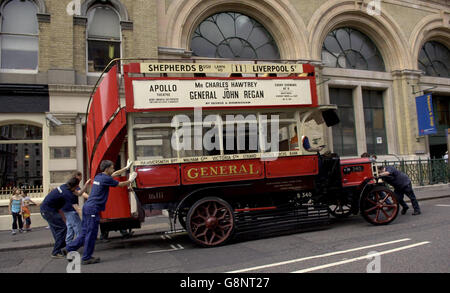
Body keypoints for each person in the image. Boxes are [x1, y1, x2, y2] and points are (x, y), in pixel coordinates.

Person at [66, 160, 136, 265]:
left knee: (85, 232)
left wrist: (126, 168)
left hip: (87, 207)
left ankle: (68, 248)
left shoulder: (99, 176)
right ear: (107, 169)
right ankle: (86, 258)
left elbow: (115, 174)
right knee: (91, 234)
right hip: (93, 209)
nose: (113, 169)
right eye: (112, 167)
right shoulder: (106, 179)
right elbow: (121, 184)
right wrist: (130, 180)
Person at [40, 177, 81, 258]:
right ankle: (56, 252)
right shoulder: (67, 194)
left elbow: (78, 193)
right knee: (62, 229)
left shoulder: (64, 186)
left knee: (57, 230)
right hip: (49, 211)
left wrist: (86, 185)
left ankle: (61, 249)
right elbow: (76, 207)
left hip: (46, 210)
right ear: (75, 186)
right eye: (77, 186)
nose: (77, 188)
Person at [63, 172, 90, 243]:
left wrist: (86, 185)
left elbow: (80, 193)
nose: (81, 179)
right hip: (71, 209)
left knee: (70, 227)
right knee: (78, 228)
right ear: (76, 176)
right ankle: (79, 243)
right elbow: (81, 193)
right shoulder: (75, 185)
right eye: (80, 177)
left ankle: (68, 244)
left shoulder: (69, 185)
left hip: (66, 209)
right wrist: (90, 198)